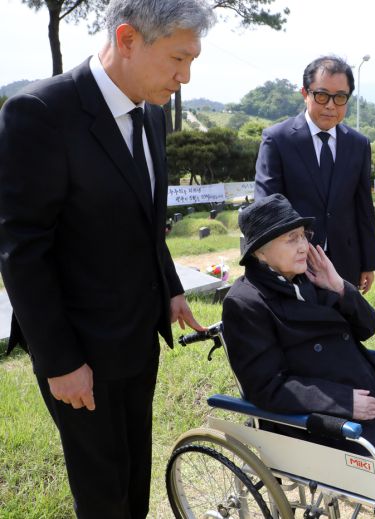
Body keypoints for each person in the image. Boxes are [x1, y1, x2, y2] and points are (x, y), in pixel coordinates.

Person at [0, 0, 212, 516]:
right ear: (128, 39)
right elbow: (22, 250)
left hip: (139, 335)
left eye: (192, 62)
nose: (184, 77)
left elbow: (145, 218)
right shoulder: (41, 113)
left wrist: (171, 288)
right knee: (102, 492)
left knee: (135, 474)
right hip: (81, 347)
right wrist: (61, 362)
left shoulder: (151, 114)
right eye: (177, 59)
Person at [222, 194, 375, 519]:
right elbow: (265, 387)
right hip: (324, 420)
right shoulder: (245, 302)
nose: (303, 246)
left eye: (303, 236)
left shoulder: (310, 277)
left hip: (372, 392)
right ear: (259, 250)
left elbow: (367, 327)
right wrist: (343, 402)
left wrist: (339, 286)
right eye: (291, 238)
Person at [254, 56, 375, 292]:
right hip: (293, 264)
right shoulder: (278, 139)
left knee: (344, 316)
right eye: (322, 95)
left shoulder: (358, 144)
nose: (331, 105)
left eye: (340, 97)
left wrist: (368, 262)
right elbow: (267, 207)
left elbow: (363, 207)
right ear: (305, 93)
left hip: (345, 261)